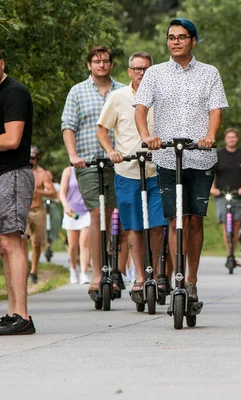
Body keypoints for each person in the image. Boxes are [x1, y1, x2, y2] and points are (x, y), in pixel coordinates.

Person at [134, 18, 228, 303]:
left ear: (193, 41)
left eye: (181, 37)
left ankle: (192, 280)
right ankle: (177, 277)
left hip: (200, 157)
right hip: (167, 157)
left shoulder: (210, 73)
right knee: (176, 219)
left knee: (195, 220)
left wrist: (210, 135)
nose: (175, 41)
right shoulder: (155, 74)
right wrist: (147, 136)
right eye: (171, 37)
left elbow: (216, 111)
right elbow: (140, 109)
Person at [96, 51, 169, 298]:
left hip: (157, 169)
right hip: (127, 170)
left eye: (146, 69)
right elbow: (102, 130)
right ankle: (139, 275)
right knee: (134, 226)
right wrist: (111, 151)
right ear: (129, 72)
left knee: (158, 224)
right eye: (137, 69)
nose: (141, 73)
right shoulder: (118, 97)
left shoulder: (162, 98)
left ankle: (158, 273)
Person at [61, 45, 125, 300]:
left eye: (105, 61)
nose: (101, 65)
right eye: (96, 61)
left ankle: (113, 269)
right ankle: (97, 274)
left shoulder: (122, 91)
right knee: (96, 215)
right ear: (89, 65)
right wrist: (73, 155)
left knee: (112, 218)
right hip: (87, 163)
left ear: (111, 64)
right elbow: (68, 126)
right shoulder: (77, 92)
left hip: (118, 162)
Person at [0, 48, 36, 335]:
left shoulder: (14, 92)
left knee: (11, 243)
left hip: (11, 174)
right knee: (4, 246)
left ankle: (22, 315)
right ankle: (12, 311)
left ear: (1, 62)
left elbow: (12, 139)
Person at [211, 128, 241, 266]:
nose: (231, 139)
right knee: (226, 226)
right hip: (222, 195)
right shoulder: (219, 155)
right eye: (229, 137)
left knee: (236, 225)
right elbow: (212, 173)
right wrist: (213, 189)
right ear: (225, 139)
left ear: (237, 139)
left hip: (238, 196)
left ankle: (232, 254)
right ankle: (229, 254)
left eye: (234, 137)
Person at [23, 145, 57, 284]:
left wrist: (38, 192)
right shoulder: (21, 171)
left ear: (37, 158)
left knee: (36, 243)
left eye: (33, 158)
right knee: (21, 240)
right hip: (23, 210)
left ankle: (34, 271)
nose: (30, 161)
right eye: (28, 158)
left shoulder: (42, 174)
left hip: (38, 209)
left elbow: (53, 192)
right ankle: (23, 267)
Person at [59, 166, 91, 284]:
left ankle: (84, 273)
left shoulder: (90, 169)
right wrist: (65, 206)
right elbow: (62, 192)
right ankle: (73, 269)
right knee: (72, 245)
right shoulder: (68, 171)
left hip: (87, 210)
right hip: (71, 211)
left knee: (84, 242)